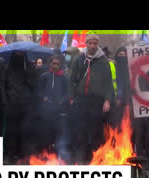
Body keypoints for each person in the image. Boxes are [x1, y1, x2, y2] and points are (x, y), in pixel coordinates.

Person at [69, 34, 114, 164]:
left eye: (95, 43)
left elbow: (108, 83)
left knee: (96, 131)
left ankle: (96, 157)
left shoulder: (103, 61)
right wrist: (72, 97)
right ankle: (81, 157)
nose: (93, 46)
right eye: (90, 43)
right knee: (80, 130)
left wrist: (107, 100)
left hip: (97, 101)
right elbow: (72, 80)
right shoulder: (79, 59)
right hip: (81, 100)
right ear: (86, 44)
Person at [4, 50, 37, 164]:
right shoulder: (8, 68)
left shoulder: (29, 66)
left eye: (20, 54)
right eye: (16, 54)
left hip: (26, 105)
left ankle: (26, 156)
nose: (18, 57)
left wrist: (28, 75)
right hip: (12, 104)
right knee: (11, 132)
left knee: (26, 132)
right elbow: (4, 84)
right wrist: (6, 100)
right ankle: (9, 155)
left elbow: (34, 85)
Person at [37, 55, 70, 161]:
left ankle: (57, 156)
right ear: (50, 64)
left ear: (60, 65)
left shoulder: (64, 78)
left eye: (57, 64)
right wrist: (44, 98)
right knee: (46, 133)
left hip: (59, 111)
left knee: (58, 134)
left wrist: (62, 100)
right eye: (53, 63)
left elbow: (68, 93)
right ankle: (46, 154)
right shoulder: (44, 76)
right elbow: (38, 91)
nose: (55, 66)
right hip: (46, 111)